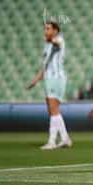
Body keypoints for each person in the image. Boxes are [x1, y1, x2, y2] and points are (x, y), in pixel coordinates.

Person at [25, 21, 72, 150]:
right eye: (45, 28)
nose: (46, 31)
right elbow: (45, 65)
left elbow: (56, 43)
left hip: (56, 78)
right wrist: (35, 80)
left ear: (56, 30)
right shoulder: (47, 45)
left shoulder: (59, 40)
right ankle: (65, 138)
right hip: (48, 78)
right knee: (53, 111)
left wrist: (50, 39)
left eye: (49, 28)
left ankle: (52, 141)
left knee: (53, 110)